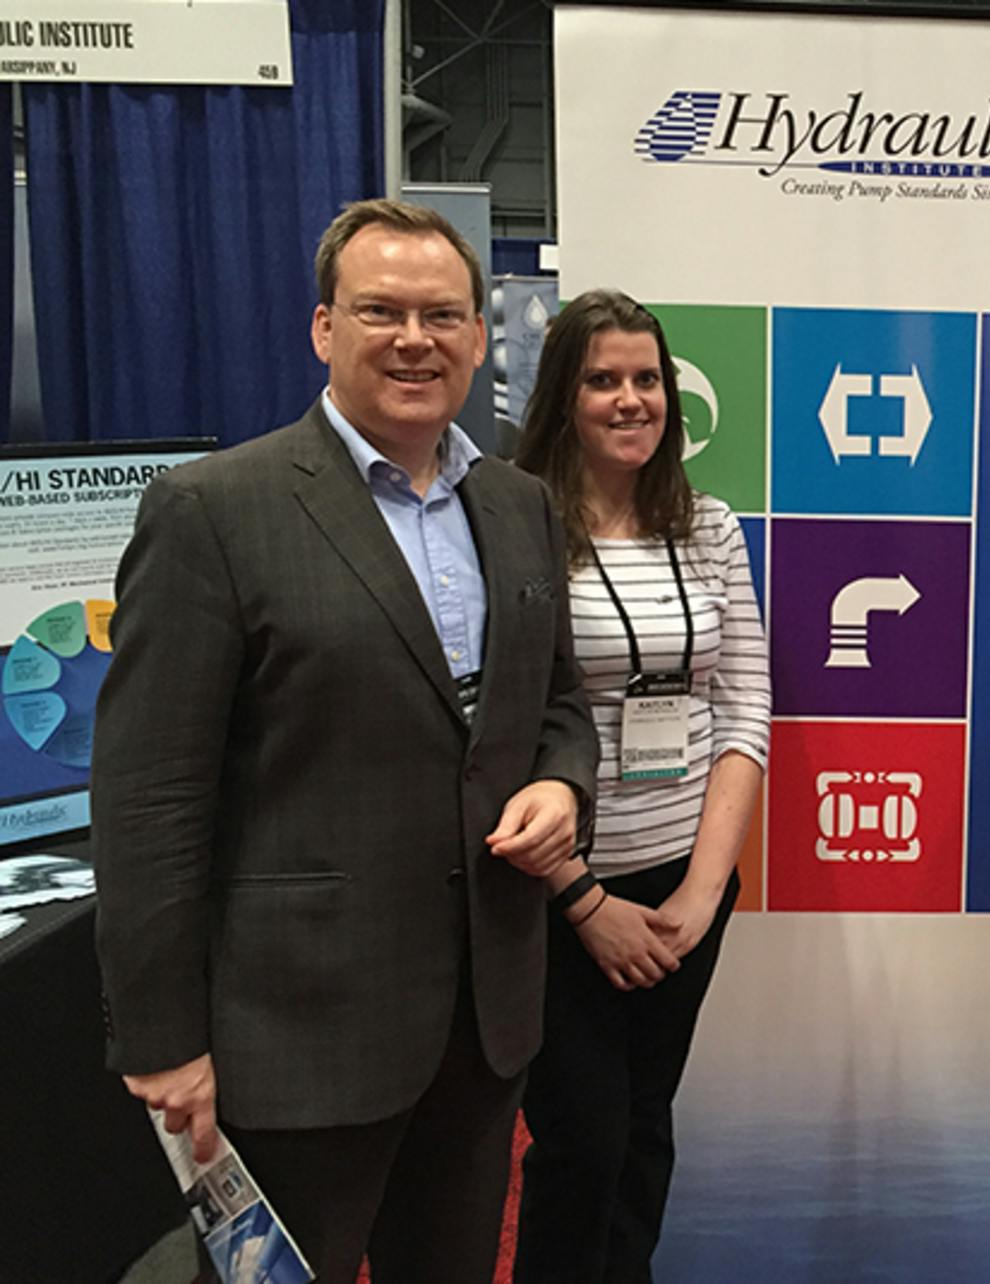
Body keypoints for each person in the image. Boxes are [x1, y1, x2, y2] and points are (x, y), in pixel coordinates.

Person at [91, 199, 598, 1281]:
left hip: (484, 1023)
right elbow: (149, 801)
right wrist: (163, 1039)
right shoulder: (214, 510)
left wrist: (562, 786)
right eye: (382, 312)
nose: (415, 338)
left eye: (443, 315)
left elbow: (554, 706)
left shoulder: (517, 506)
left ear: (478, 335)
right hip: (298, 1036)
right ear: (325, 329)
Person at [511, 291, 770, 1283]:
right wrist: (583, 902)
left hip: (682, 892)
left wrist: (702, 893)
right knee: (582, 1141)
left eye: (647, 379)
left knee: (645, 1126)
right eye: (602, 379)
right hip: (552, 902)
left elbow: (745, 708)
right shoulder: (514, 520)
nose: (631, 399)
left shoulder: (705, 525)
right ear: (563, 395)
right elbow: (497, 737)